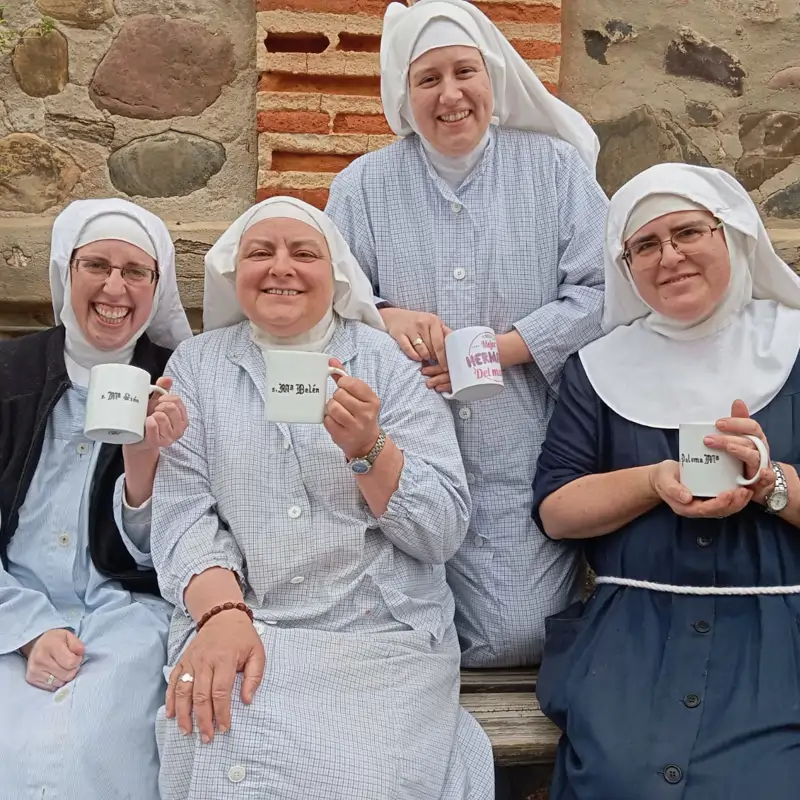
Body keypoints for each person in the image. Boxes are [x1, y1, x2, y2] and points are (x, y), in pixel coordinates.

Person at [151, 196, 494, 800]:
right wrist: (221, 616)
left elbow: (442, 530)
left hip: (378, 634)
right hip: (247, 618)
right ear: (236, 273)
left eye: (302, 253)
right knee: (213, 742)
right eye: (261, 252)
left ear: (333, 273)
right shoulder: (199, 366)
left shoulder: (385, 363)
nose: (281, 267)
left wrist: (370, 447)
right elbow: (184, 514)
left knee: (364, 781)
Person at [326, 0, 608, 667]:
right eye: (428, 80)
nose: (450, 95)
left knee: (514, 636)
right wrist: (384, 316)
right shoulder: (362, 185)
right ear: (405, 94)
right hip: (397, 448)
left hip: (519, 442)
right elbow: (329, 297)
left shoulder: (557, 170)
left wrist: (501, 348)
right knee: (395, 633)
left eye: (464, 73)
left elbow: (604, 292)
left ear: (493, 80)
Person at [533, 163, 800, 799]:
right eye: (645, 245)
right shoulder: (598, 369)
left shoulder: (794, 346)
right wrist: (654, 481)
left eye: (688, 233)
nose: (669, 256)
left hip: (779, 641)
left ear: (730, 234)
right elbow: (557, 512)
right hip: (633, 642)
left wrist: (772, 482)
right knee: (618, 779)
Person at [0, 199, 192, 798]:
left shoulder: (178, 381)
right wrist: (27, 627)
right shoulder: (10, 372)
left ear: (157, 288)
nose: (116, 287)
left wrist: (146, 463)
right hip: (9, 605)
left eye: (137, 271)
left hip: (128, 617)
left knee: (98, 743)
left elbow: (168, 547)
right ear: (66, 272)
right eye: (97, 266)